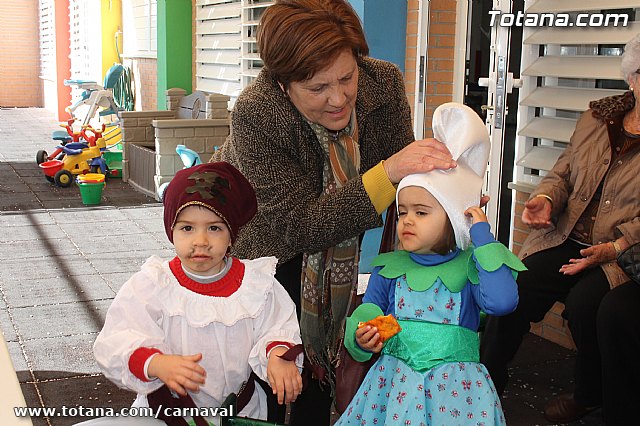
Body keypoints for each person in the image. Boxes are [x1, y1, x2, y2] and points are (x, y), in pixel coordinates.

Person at [211, 1, 460, 423]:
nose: (339, 97)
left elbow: (407, 185)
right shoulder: (258, 112)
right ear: (283, 82)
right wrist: (389, 170)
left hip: (333, 257)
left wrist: (452, 205)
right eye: (317, 88)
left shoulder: (384, 84)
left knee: (319, 378)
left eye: (347, 77)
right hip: (266, 247)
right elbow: (301, 224)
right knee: (273, 371)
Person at [480, 34, 640, 425]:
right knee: (512, 289)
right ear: (633, 78)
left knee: (587, 307)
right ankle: (482, 386)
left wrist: (617, 246)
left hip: (616, 252)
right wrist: (547, 199)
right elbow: (563, 171)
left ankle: (588, 395)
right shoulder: (598, 117)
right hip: (566, 237)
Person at [334, 103, 525, 425]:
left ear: (455, 220)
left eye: (421, 212)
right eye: (403, 211)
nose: (407, 220)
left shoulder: (470, 266)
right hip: (393, 386)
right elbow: (373, 308)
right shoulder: (390, 267)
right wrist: (362, 334)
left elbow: (502, 303)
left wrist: (483, 239)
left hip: (455, 393)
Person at [84, 162, 303, 425]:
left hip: (238, 412)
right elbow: (117, 338)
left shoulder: (256, 285)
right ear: (171, 232)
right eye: (187, 228)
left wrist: (279, 356)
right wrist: (156, 363)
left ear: (232, 235)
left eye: (214, 228)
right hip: (165, 413)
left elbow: (277, 326)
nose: (201, 241)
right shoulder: (154, 284)